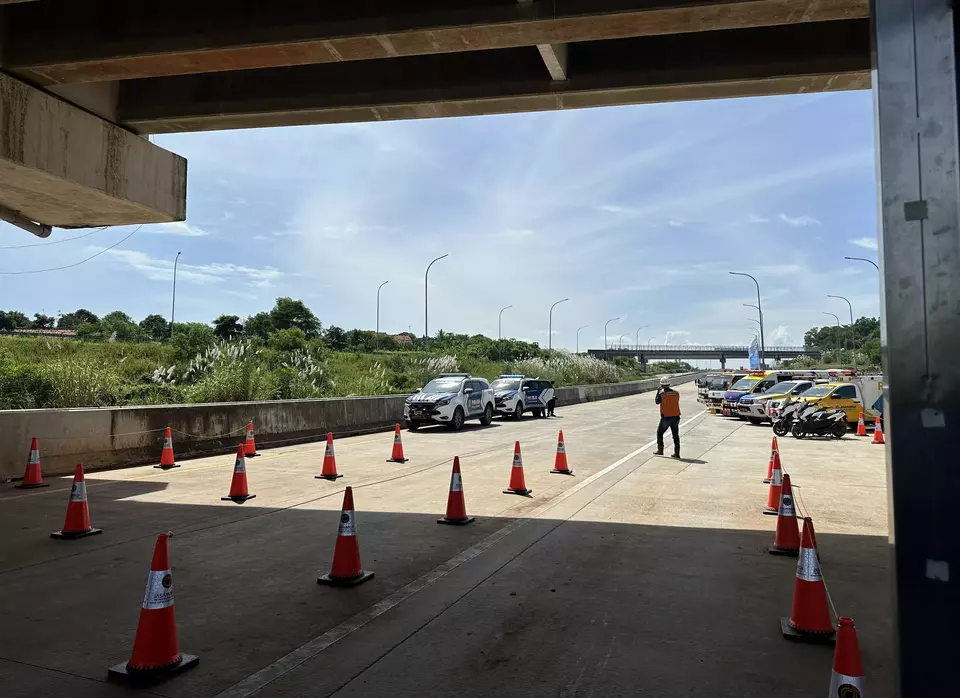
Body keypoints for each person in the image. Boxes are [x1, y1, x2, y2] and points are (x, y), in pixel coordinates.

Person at [655, 376, 681, 458]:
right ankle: (677, 453)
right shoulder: (676, 393)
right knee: (675, 435)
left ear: (661, 385)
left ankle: (660, 450)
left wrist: (658, 392)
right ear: (669, 384)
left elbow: (657, 401)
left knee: (659, 433)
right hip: (676, 417)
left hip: (666, 417)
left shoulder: (662, 394)